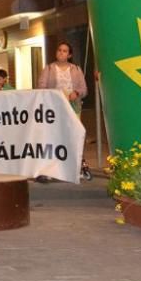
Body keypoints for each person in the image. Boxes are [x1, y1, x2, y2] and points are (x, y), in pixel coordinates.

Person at [37, 41, 92, 180]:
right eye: (59, 50)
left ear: (69, 55)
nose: (61, 52)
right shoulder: (49, 69)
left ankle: (76, 166)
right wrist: (54, 95)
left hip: (73, 107)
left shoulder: (76, 69)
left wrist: (76, 93)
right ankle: (51, 169)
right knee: (54, 136)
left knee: (73, 135)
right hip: (54, 107)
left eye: (65, 51)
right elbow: (41, 87)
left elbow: (84, 89)